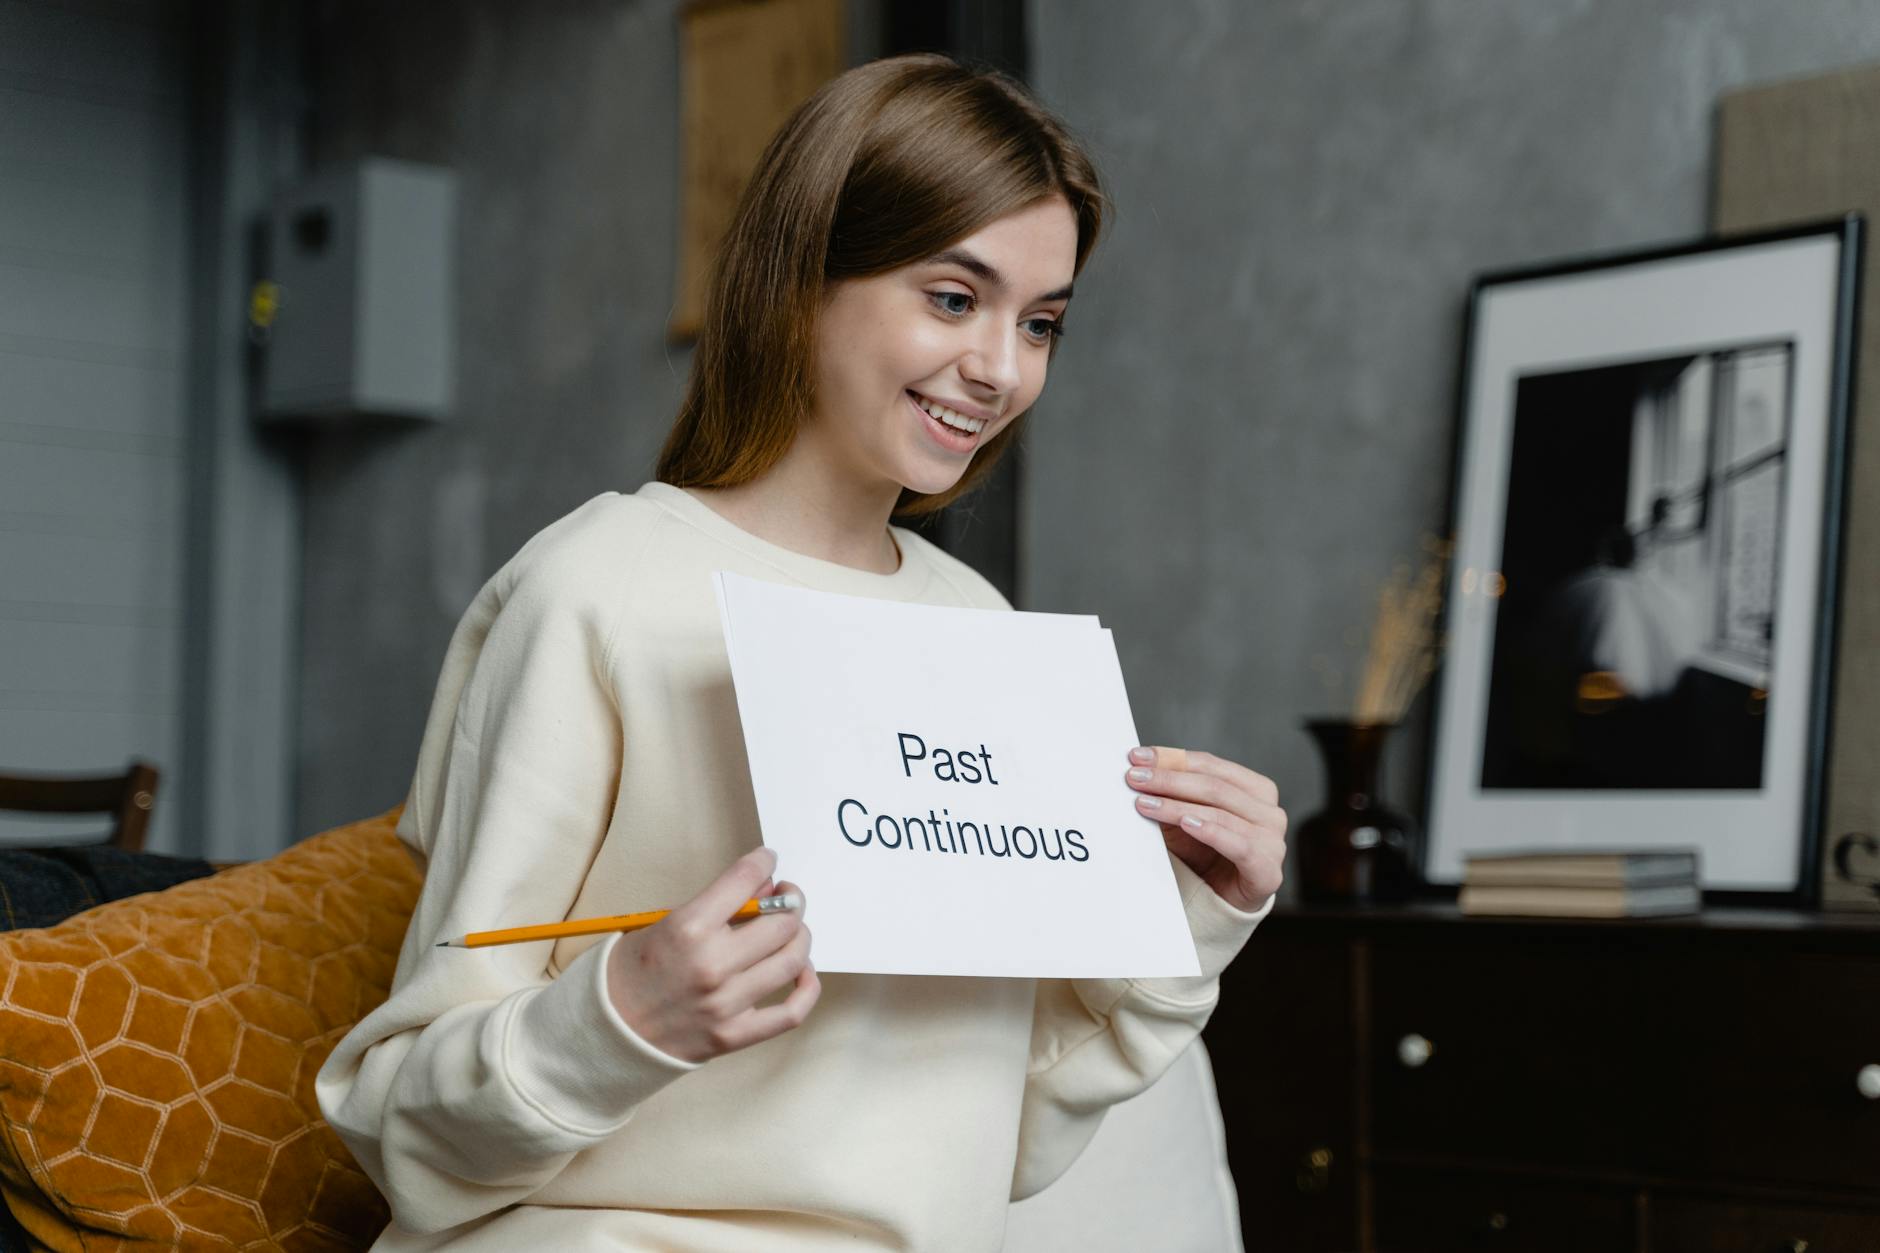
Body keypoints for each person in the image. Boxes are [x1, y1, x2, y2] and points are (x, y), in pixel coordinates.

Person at [315, 53, 1286, 1252]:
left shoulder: (983, 632)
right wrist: (624, 1018)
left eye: (1039, 323)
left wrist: (1187, 917)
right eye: (951, 297)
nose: (999, 367)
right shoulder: (597, 588)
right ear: (802, 277)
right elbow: (403, 1130)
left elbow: (1007, 1142)